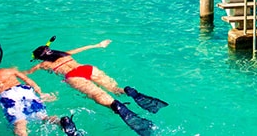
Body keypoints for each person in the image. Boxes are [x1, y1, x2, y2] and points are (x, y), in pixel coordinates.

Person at [25, 37, 168, 136]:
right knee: (115, 90)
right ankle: (127, 91)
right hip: (87, 69)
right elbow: (82, 48)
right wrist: (98, 44)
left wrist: (23, 72)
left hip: (73, 76)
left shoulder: (43, 64)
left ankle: (116, 106)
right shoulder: (65, 54)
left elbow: (27, 73)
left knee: (98, 95)